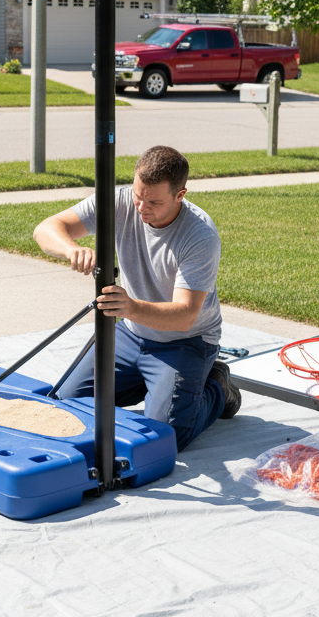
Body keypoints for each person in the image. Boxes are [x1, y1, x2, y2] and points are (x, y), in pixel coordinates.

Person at [33, 145, 240, 451]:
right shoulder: (121, 201)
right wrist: (70, 248)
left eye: (154, 202)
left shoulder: (200, 235)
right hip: (132, 333)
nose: (142, 207)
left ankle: (217, 386)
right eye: (138, 195)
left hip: (186, 341)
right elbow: (46, 228)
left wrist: (129, 307)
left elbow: (185, 316)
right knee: (66, 404)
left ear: (180, 195)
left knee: (168, 434)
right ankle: (156, 384)